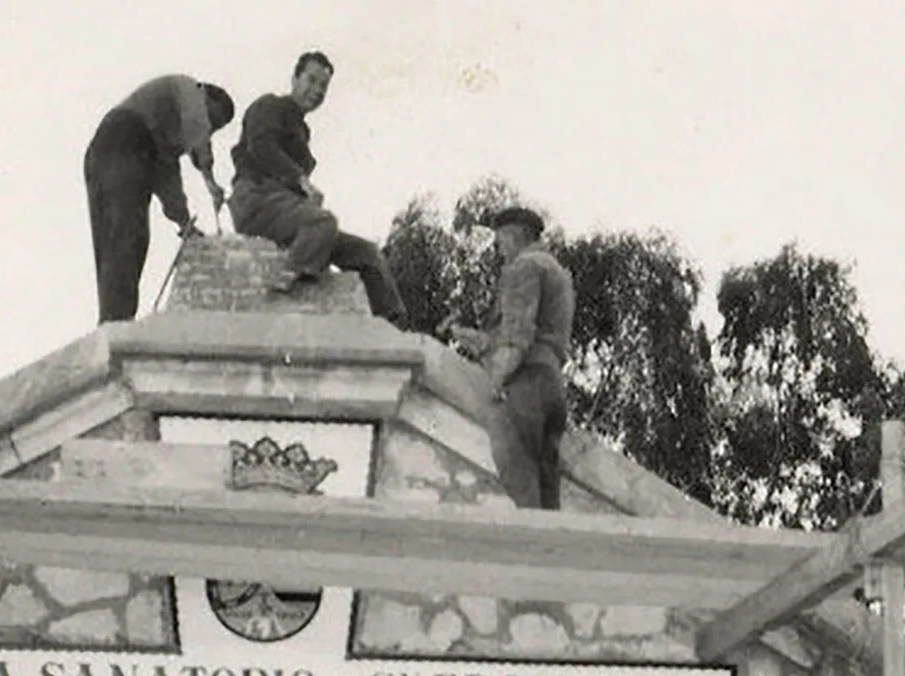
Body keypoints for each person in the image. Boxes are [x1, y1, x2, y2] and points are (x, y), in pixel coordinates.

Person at [227, 52, 407, 325]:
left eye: (323, 86)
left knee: (367, 253)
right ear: (294, 78)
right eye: (311, 80)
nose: (317, 90)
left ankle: (395, 326)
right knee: (323, 222)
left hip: (289, 213)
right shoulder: (269, 106)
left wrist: (303, 198)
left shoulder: (302, 133)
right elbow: (261, 146)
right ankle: (285, 287)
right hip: (256, 200)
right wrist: (302, 181)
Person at [446, 206, 576, 510]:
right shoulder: (556, 271)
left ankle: (531, 549)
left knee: (517, 473)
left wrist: (498, 379)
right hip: (550, 382)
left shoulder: (524, 267)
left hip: (525, 382)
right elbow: (527, 333)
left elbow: (518, 336)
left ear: (515, 235)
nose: (498, 245)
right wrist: (466, 336)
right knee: (546, 485)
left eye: (500, 237)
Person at [83, 74, 235, 323]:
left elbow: (168, 180)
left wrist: (184, 223)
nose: (211, 130)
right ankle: (116, 321)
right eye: (213, 122)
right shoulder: (188, 88)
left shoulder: (163, 133)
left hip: (106, 153)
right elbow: (197, 125)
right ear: (206, 96)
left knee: (119, 239)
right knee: (126, 234)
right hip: (123, 141)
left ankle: (113, 318)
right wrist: (210, 180)